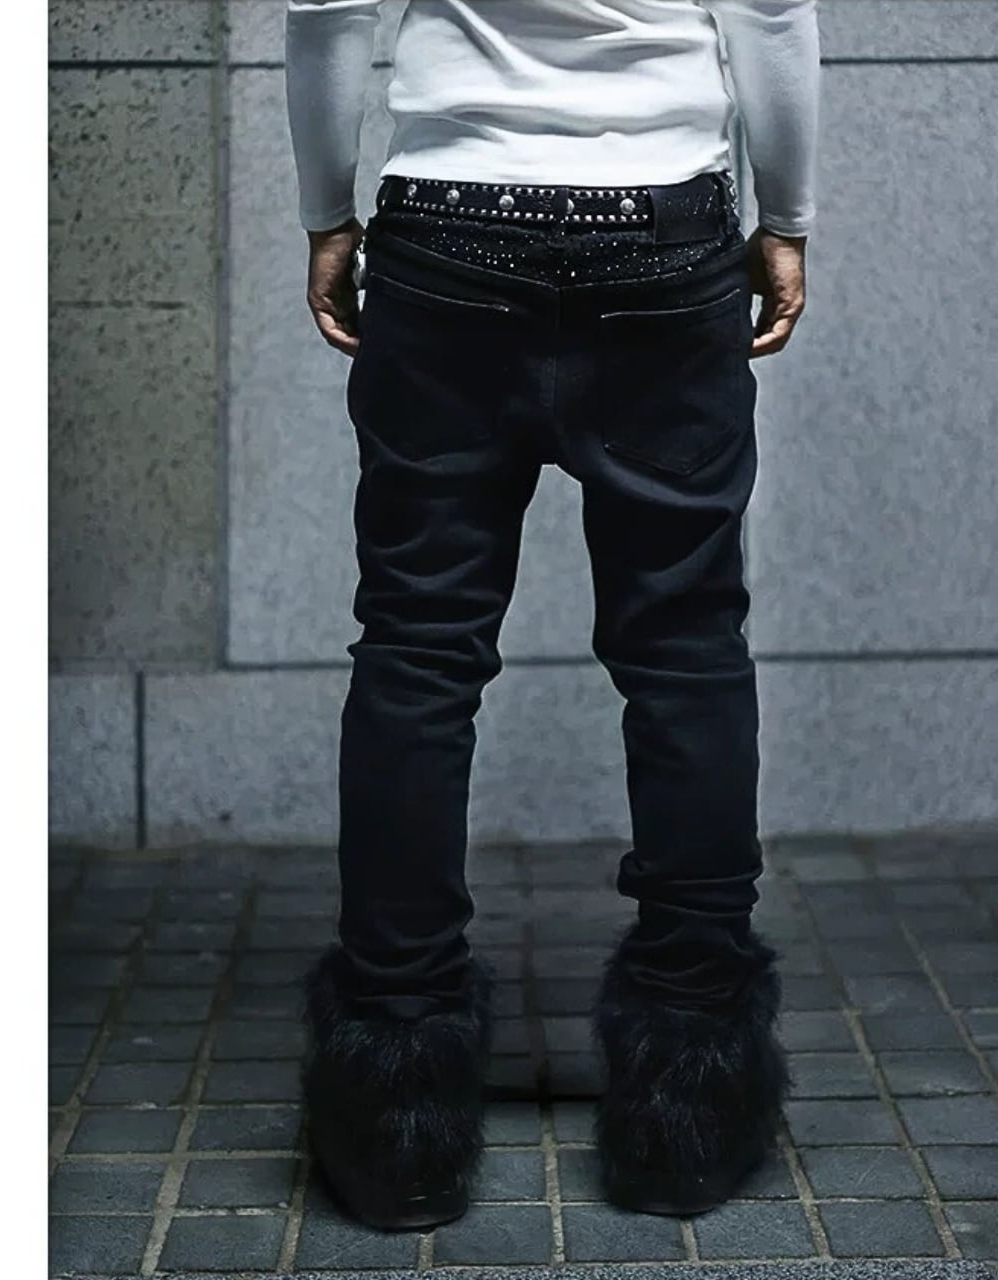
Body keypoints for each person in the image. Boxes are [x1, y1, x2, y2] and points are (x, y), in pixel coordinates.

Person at [285, 0, 819, 1229]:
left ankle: (394, 1100)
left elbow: (324, 11)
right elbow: (771, 11)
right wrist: (785, 219)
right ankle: (689, 1093)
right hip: (661, 227)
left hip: (446, 234)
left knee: (417, 649)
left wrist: (326, 212)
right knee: (684, 651)